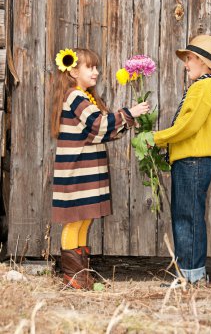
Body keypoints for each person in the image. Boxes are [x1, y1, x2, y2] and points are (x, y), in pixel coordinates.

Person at [51, 48, 149, 290]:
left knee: (84, 221)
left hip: (84, 171)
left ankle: (80, 276)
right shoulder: (75, 96)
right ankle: (73, 277)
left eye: (96, 67)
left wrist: (127, 120)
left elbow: (99, 133)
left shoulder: (84, 97)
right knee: (74, 222)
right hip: (76, 171)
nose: (96, 72)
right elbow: (98, 124)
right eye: (90, 67)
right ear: (73, 71)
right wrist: (129, 113)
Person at [154, 35, 211, 284]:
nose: (186, 63)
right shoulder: (202, 85)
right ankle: (188, 274)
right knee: (185, 216)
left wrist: (158, 138)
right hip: (189, 161)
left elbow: (188, 125)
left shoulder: (205, 86)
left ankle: (192, 278)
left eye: (190, 58)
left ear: (204, 61)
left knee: (188, 217)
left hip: (193, 162)